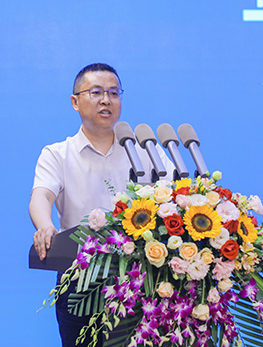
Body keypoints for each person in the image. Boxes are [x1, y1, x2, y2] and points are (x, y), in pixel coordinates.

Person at [29, 63, 174, 347]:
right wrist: (45, 226)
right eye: (96, 92)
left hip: (143, 278)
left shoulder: (146, 149)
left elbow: (176, 194)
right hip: (81, 279)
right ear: (75, 101)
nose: (106, 100)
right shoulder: (57, 154)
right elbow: (41, 196)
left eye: (114, 93)